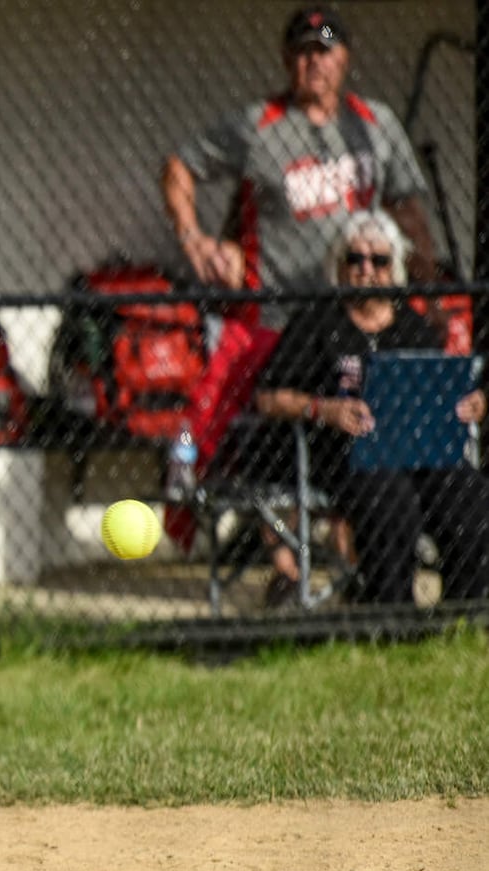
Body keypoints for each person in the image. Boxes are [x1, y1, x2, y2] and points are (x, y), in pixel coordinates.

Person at [159, 5, 439, 599]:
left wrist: (428, 287)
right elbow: (179, 167)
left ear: (347, 58)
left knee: (368, 434)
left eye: (327, 49)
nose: (315, 61)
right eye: (305, 50)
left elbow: (409, 209)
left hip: (356, 317)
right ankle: (288, 567)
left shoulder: (376, 124)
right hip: (275, 318)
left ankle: (357, 565)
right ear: (288, 60)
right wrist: (197, 240)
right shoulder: (258, 126)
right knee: (264, 436)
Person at [254, 209, 489, 605]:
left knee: (471, 498)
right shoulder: (317, 322)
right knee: (392, 502)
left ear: (394, 268)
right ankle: (390, 617)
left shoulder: (412, 327)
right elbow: (267, 397)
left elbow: (442, 392)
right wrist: (323, 409)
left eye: (379, 260)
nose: (367, 270)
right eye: (356, 259)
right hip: (346, 457)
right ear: (340, 266)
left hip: (418, 453)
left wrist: (470, 404)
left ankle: (462, 613)